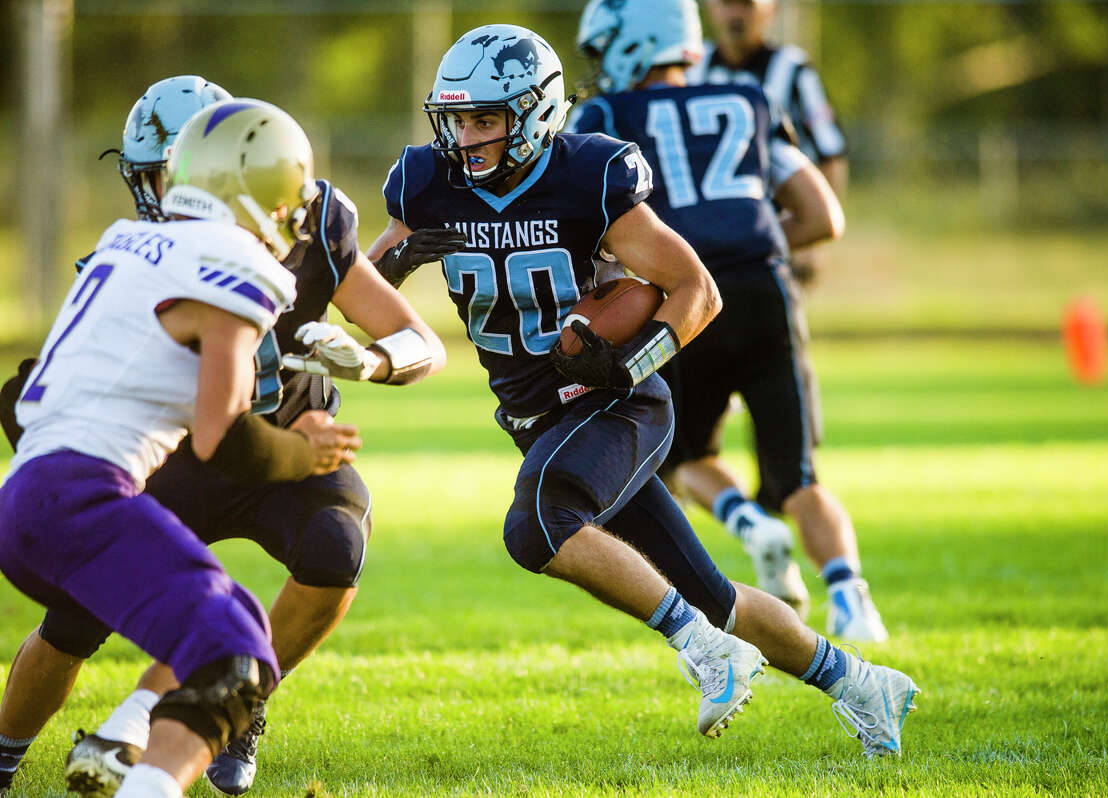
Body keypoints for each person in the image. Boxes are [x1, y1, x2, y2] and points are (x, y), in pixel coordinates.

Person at [368, 21, 918, 756]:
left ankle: (704, 651)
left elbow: (695, 287)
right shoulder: (428, 183)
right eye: (459, 119)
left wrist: (630, 365)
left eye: (486, 119)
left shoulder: (587, 174)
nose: (467, 137)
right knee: (716, 596)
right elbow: (364, 285)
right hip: (538, 419)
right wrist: (394, 269)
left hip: (618, 401)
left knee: (536, 523)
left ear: (533, 114)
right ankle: (861, 683)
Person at [0, 78, 446, 798]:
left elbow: (21, 396)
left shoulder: (124, 245)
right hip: (129, 478)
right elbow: (223, 436)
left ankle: (134, 739)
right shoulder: (237, 261)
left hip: (35, 493)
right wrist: (309, 449)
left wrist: (366, 361)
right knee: (227, 653)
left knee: (238, 622)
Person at [668, 0, 885, 641]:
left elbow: (829, 155)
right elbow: (824, 181)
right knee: (796, 473)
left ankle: (746, 522)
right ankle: (851, 597)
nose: (737, 12)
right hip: (763, 284)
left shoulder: (761, 72)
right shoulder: (730, 77)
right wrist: (790, 242)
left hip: (697, 286)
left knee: (682, 456)